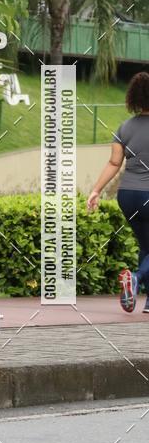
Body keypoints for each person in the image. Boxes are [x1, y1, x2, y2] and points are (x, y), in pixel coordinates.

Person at [87, 71, 149, 313]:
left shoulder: (124, 127)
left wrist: (95, 190)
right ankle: (136, 278)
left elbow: (114, 163)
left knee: (146, 247)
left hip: (127, 196)